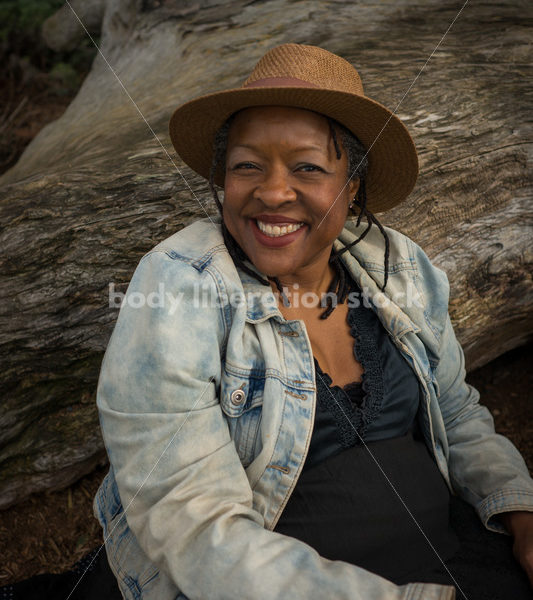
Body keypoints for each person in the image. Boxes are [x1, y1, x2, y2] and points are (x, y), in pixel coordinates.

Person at [94, 43, 533, 599]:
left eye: (308, 167)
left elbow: (455, 409)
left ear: (353, 188)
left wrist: (518, 508)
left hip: (443, 552)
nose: (273, 193)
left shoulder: (396, 266)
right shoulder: (177, 287)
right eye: (246, 165)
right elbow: (195, 528)